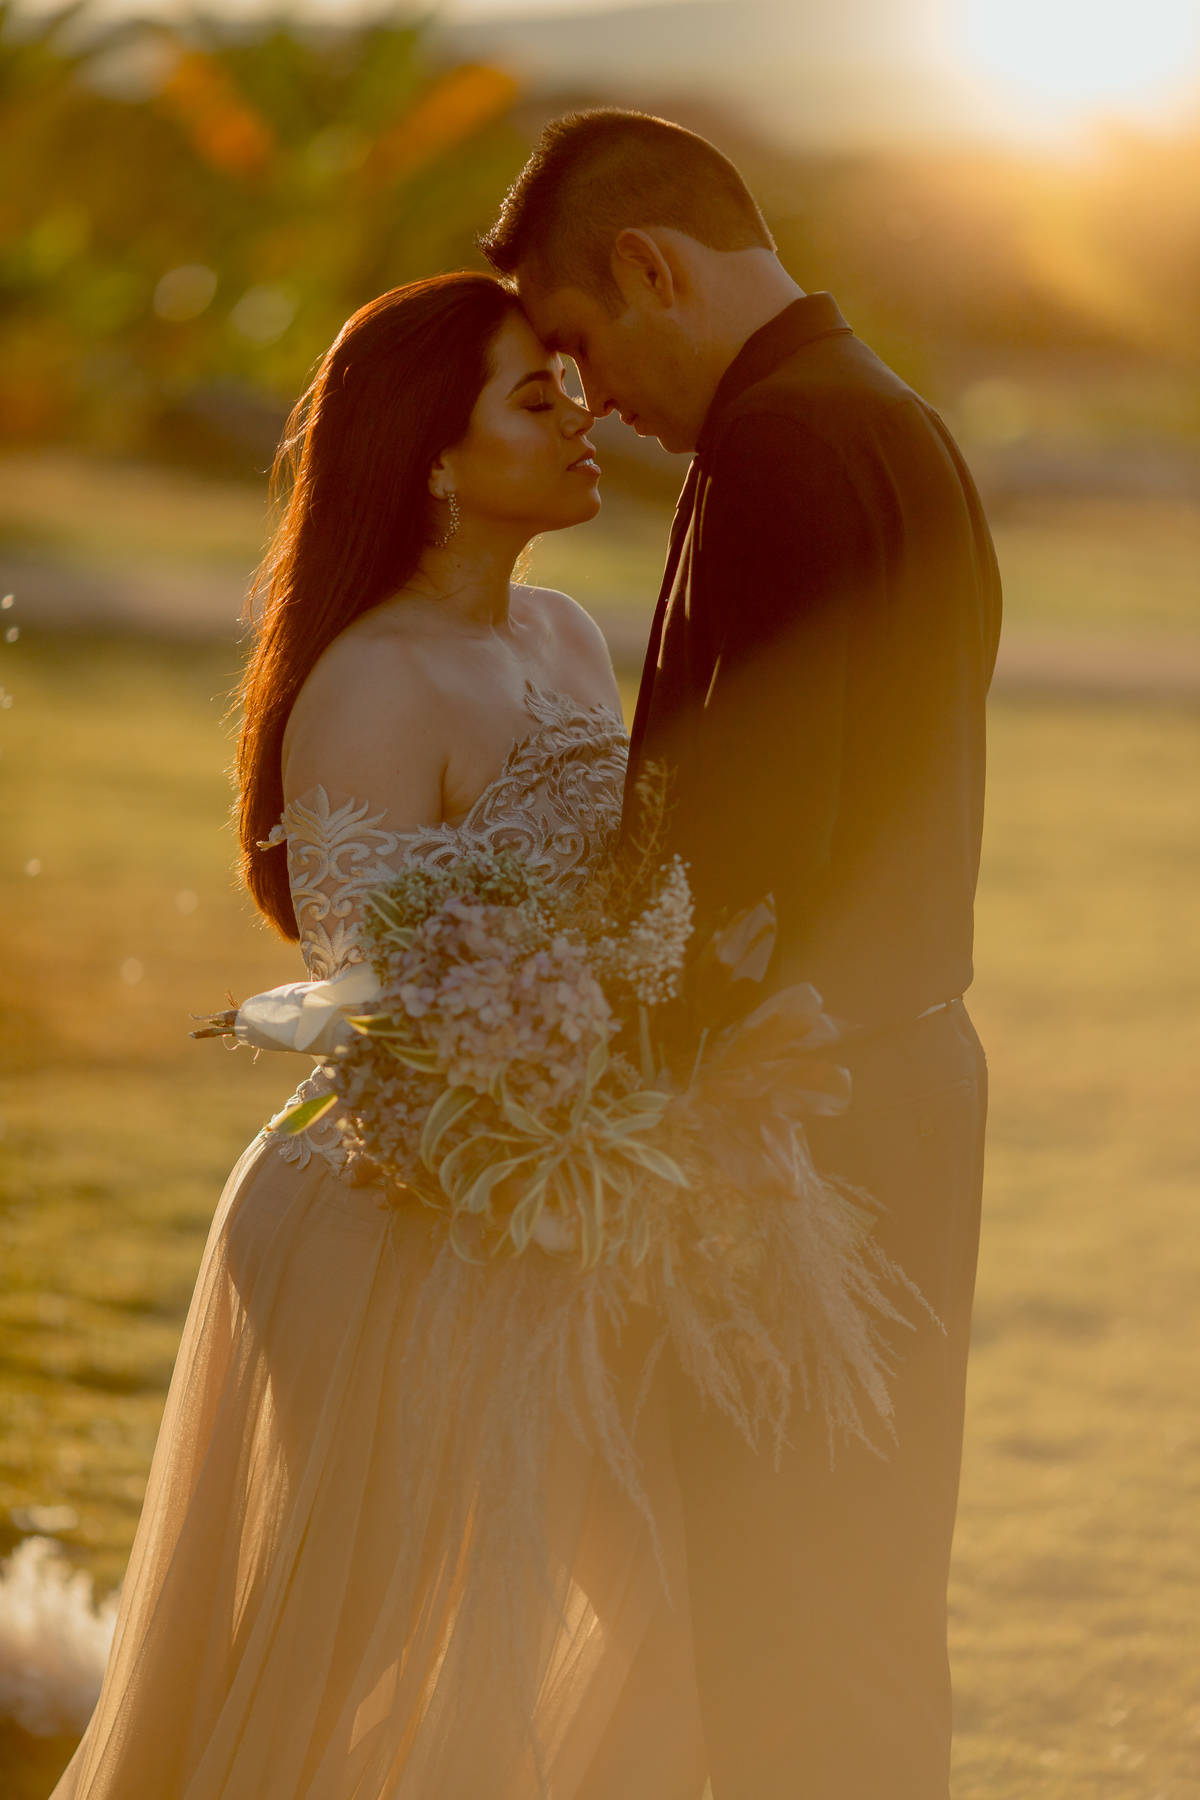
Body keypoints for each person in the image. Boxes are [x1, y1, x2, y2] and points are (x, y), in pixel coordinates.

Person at [51, 272, 710, 1800]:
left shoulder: (562, 634)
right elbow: (376, 999)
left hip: (551, 1200)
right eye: (533, 399)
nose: (581, 417)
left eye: (572, 386)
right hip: (389, 1212)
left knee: (632, 1596)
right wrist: (551, 1083)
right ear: (430, 452)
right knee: (351, 1648)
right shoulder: (368, 685)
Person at [482, 109, 1001, 1799]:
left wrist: (629, 1091)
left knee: (791, 1595)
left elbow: (750, 844)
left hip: (802, 1108)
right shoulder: (880, 414)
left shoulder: (786, 445)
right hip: (888, 1074)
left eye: (582, 346)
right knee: (847, 1581)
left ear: (651, 267)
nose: (596, 399)